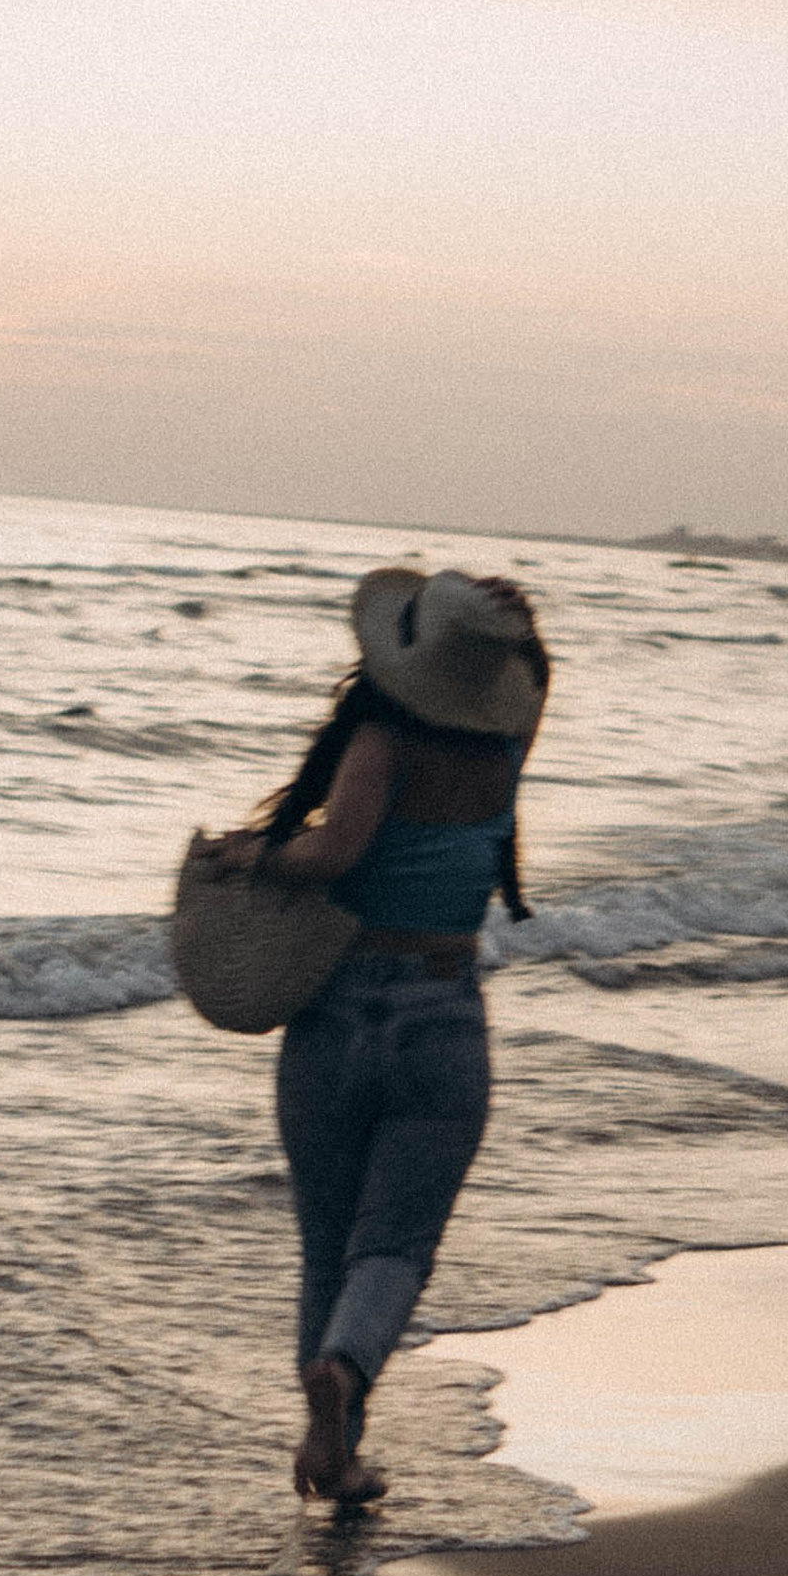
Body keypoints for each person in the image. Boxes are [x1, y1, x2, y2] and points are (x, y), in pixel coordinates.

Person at [213, 565, 548, 1507]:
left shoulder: (380, 733)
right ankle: (346, 1387)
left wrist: (250, 855)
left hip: (336, 1008)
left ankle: (331, 1435)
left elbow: (336, 852)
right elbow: (537, 678)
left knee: (327, 1242)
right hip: (442, 1014)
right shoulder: (505, 743)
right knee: (394, 1246)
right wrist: (515, 627)